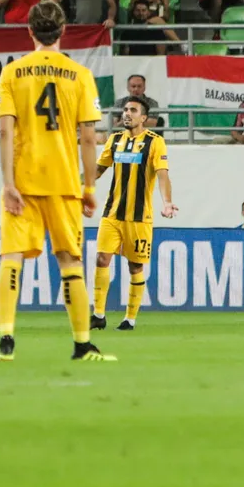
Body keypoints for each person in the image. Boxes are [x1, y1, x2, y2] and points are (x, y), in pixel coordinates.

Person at [0, 0, 114, 363]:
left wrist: (8, 183)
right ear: (63, 31)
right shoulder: (79, 74)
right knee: (70, 261)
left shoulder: (13, 73)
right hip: (63, 182)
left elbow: (4, 131)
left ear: (30, 31)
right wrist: (89, 186)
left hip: (24, 183)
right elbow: (90, 137)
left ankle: (6, 341)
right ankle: (81, 344)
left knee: (11, 258)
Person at [92, 97, 177, 331]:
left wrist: (167, 202)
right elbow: (98, 170)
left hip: (140, 218)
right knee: (101, 258)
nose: (127, 113)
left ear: (143, 118)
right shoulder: (114, 140)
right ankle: (98, 313)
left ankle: (130, 318)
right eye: (125, 109)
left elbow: (162, 175)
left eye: (133, 110)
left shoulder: (155, 142)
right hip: (112, 214)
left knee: (135, 267)